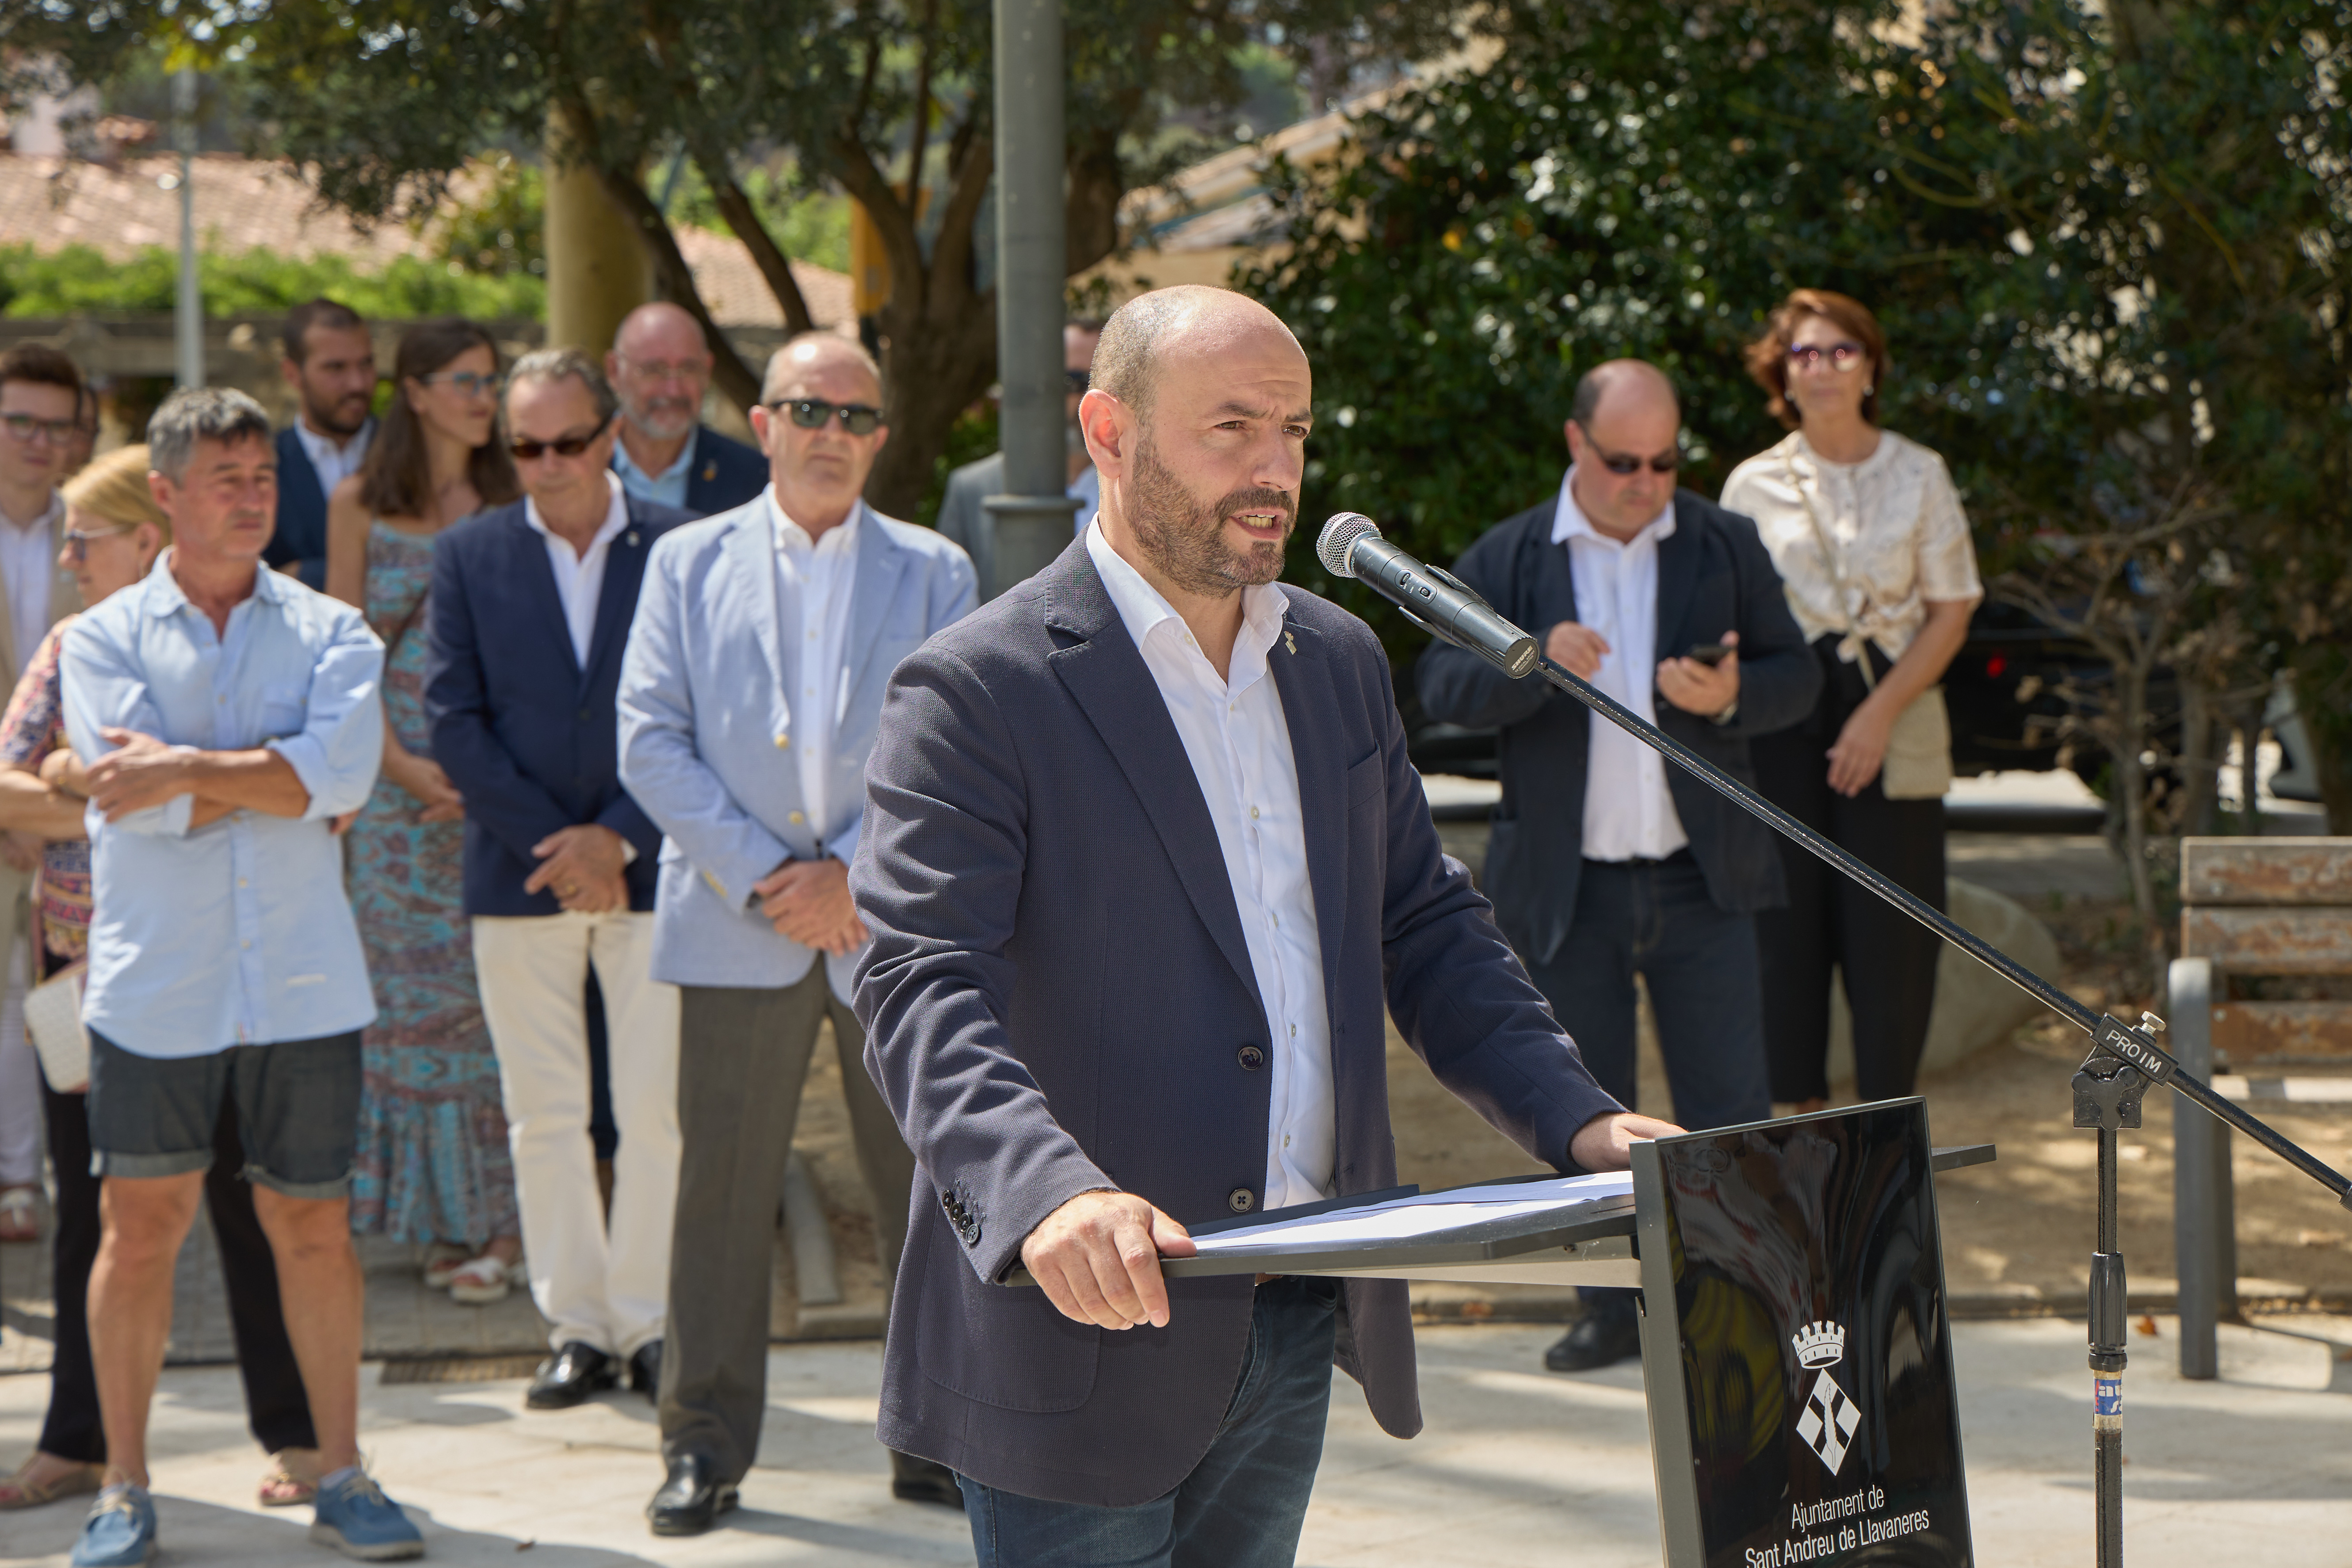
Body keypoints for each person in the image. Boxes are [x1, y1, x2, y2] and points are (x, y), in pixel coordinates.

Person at [850, 284, 1676, 1565]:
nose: (1275, 470)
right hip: (1094, 1309)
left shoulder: (1335, 660)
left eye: (1293, 430)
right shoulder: (979, 688)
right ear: (1107, 433)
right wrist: (1046, 1193)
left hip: (1298, 1294)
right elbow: (919, 982)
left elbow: (1423, 925)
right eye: (1229, 428)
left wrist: (1580, 1117)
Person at [618, 331, 976, 1534]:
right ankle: (703, 1445)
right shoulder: (682, 561)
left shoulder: (936, 568)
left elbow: (955, 753)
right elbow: (649, 739)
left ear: (881, 438)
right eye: (807, 409)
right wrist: (776, 876)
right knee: (719, 1195)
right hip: (738, 922)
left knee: (930, 1185)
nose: (832, 433)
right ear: (763, 424)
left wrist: (855, 883)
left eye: (857, 416)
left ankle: (942, 1431)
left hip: (890, 932)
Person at [59, 387, 422, 1564]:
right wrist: (278, 777)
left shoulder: (331, 629)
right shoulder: (103, 637)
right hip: (155, 983)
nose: (252, 493)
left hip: (308, 984)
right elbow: (133, 806)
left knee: (313, 1225)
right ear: (162, 494)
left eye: (262, 474)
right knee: (141, 1229)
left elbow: (348, 780)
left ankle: (345, 1470)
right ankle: (124, 1485)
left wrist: (188, 769)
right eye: (225, 476)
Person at [1415, 359, 1820, 1375]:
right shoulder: (1514, 553)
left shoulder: (1721, 543)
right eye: (1625, 460)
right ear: (1576, 444)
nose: (1648, 480)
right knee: (1586, 1114)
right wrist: (1529, 661)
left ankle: (1743, 1302)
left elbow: (1797, 674)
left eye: (1668, 460)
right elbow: (1438, 683)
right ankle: (1608, 1306)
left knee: (1728, 1109)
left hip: (1702, 879)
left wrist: (1730, 691)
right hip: (1569, 887)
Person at [0, 445, 324, 1517]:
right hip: (87, 987)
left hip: (238, 975)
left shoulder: (258, 642)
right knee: (99, 1219)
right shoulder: (70, 643)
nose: (70, 556)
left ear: (149, 534)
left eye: (84, 539)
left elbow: (290, 787)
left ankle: (309, 1439)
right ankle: (80, 1444)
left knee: (257, 1202)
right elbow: (8, 782)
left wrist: (100, 785)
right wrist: (111, 789)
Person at [425, 349, 690, 1409]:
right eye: (524, 446)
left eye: (567, 441)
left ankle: (653, 1322)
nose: (546, 463)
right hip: (520, 873)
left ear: (610, 430)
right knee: (544, 1114)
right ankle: (576, 1326)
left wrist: (616, 839)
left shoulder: (681, 547)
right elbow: (455, 719)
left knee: (656, 1112)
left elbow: (698, 709)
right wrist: (563, 847)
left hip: (655, 867)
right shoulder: (468, 553)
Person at [1720, 290, 1983, 1113]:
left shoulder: (1920, 471)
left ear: (1871, 367)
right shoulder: (1752, 482)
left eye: (1841, 351)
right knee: (1783, 942)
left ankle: (1884, 1137)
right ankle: (1796, 1137)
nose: (1824, 368)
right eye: (1805, 354)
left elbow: (1954, 606)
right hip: (1783, 719)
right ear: (1782, 373)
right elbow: (1731, 614)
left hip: (1892, 710)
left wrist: (1876, 715)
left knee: (1893, 948)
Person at [325, 319, 524, 1303]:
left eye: (491, 380)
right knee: (409, 1021)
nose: (483, 397)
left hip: (494, 799)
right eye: (463, 380)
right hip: (395, 808)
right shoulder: (356, 504)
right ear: (413, 391)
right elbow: (345, 661)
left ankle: (499, 1224)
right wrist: (401, 768)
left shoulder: (514, 498)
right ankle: (443, 1223)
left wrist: (488, 777)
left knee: (494, 1016)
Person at [0, 343, 85, 1244]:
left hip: (68, 816)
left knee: (54, 993)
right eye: (19, 420)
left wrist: (35, 809)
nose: (37, 440)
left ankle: (53, 1174)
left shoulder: (88, 532)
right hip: (15, 807)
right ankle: (12, 1175)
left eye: (55, 426)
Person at [934, 318, 1105, 598]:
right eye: (1070, 382)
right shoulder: (972, 489)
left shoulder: (1148, 485)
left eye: (1098, 383)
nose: (1086, 401)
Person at [605, 301, 766, 517]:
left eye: (688, 369)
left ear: (707, 371)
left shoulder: (752, 476)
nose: (673, 390)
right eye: (655, 370)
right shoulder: (570, 461)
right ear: (615, 371)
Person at [270, 299, 378, 591]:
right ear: (292, 374)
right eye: (336, 368)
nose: (357, 383)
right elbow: (253, 580)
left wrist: (303, 574)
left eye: (366, 364)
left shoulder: (410, 454)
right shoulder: (266, 466)